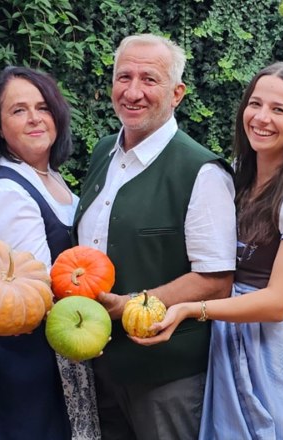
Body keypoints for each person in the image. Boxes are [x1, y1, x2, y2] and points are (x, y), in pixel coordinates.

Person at [131, 62, 283, 440]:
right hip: (224, 339)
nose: (261, 118)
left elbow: (277, 302)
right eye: (255, 104)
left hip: (268, 348)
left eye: (279, 110)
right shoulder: (233, 175)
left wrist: (195, 308)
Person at [73, 34, 236, 439]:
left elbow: (216, 280)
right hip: (101, 366)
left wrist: (129, 305)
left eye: (149, 79)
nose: (133, 91)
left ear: (177, 93)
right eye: (123, 76)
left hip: (167, 377)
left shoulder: (200, 171)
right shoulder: (103, 153)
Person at [0, 66, 101, 440]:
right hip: (24, 358)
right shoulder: (7, 190)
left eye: (43, 106)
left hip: (57, 345)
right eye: (18, 110)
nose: (34, 118)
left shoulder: (50, 177)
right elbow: (35, 286)